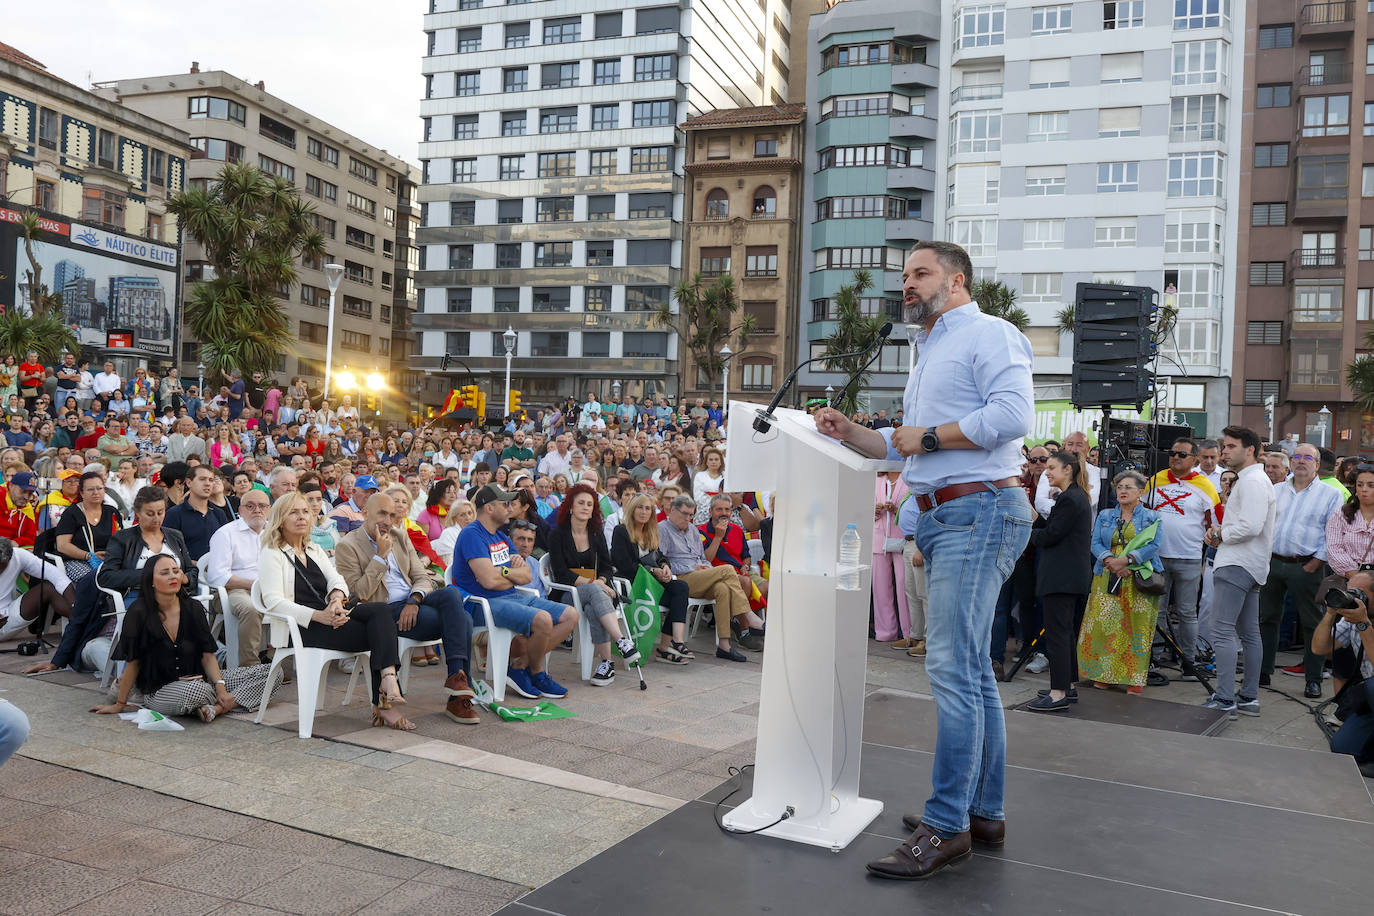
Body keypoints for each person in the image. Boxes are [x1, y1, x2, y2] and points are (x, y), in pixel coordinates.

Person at [816, 240, 1034, 881]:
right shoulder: (927, 347)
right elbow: (906, 447)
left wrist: (931, 435)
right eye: (904, 275)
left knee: (953, 667)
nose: (906, 284)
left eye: (920, 273)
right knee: (971, 670)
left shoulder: (991, 333)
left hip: (980, 509)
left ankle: (948, 826)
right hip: (948, 513)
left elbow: (1013, 415)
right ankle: (982, 812)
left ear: (957, 279)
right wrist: (852, 433)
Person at [258, 491, 413, 730]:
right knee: (379, 632)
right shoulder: (272, 553)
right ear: (280, 519)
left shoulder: (313, 549)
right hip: (301, 628)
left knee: (380, 611)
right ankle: (385, 696)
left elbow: (337, 581)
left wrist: (336, 601)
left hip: (332, 615)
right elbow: (273, 601)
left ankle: (387, 680)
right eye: (293, 512)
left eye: (305, 512)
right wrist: (319, 616)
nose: (301, 517)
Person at [335, 496, 478, 724]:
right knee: (465, 620)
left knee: (452, 594)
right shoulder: (347, 545)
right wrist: (380, 556)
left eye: (392, 515)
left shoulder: (400, 536)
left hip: (414, 603)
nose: (388, 520)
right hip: (384, 611)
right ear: (364, 513)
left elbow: (421, 577)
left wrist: (414, 600)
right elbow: (357, 594)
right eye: (382, 513)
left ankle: (457, 681)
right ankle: (458, 692)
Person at [90, 554, 275, 722]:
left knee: (273, 673)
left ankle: (217, 708)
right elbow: (133, 663)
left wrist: (221, 688)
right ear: (151, 581)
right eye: (165, 573)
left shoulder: (193, 608)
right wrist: (120, 703)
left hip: (201, 678)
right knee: (196, 691)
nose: (173, 576)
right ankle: (223, 702)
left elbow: (207, 655)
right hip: (160, 689)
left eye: (176, 571)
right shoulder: (139, 612)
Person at [450, 484, 578, 700]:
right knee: (544, 620)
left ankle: (521, 666)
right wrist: (509, 575)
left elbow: (527, 576)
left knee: (570, 615)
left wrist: (505, 571)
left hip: (510, 596)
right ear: (489, 508)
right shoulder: (472, 534)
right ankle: (537, 672)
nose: (510, 508)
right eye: (505, 503)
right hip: (482, 604)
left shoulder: (501, 537)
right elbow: (488, 581)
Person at [1202, 426, 1276, 719]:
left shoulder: (1253, 481)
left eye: (1231, 446)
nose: (1224, 451)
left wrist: (1221, 533)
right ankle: (1247, 698)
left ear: (1250, 450)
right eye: (1225, 446)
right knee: (1248, 633)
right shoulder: (1253, 479)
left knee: (1222, 631)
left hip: (1237, 563)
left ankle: (1224, 699)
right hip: (1248, 563)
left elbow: (1250, 526)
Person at [1258, 443, 1342, 697]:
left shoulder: (1330, 494)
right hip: (1272, 562)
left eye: (1308, 457)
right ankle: (1262, 671)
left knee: (1312, 622)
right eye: (1297, 457)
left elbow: (1333, 532)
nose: (1301, 461)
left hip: (1306, 566)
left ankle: (1313, 679)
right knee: (1267, 618)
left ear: (1317, 464)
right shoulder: (1276, 490)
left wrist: (1316, 562)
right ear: (1291, 462)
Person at [548, 483, 641, 686]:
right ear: (571, 507)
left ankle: (607, 664)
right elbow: (562, 573)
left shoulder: (596, 534)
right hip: (567, 594)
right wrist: (596, 584)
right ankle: (622, 641)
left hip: (595, 593)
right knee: (593, 591)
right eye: (580, 503)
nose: (585, 507)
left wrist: (599, 582)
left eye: (589, 504)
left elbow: (607, 567)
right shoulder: (558, 534)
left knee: (593, 607)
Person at [1081, 470, 1163, 694]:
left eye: (1128, 487)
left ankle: (1134, 678)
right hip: (1107, 574)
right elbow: (1095, 541)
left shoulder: (1151, 517)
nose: (1122, 491)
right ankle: (1104, 675)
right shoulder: (1106, 515)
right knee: (1105, 625)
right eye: (1119, 487)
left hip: (1137, 576)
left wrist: (1127, 562)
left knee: (1136, 627)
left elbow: (1154, 545)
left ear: (1141, 491)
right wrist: (1110, 560)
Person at [1024, 451, 1094, 712]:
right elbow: (1052, 528)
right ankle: (1068, 685)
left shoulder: (1070, 499)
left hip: (1062, 577)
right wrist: (1031, 514)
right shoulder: (1073, 497)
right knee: (1064, 633)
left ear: (1068, 470)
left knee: (1058, 634)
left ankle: (1058, 692)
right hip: (1068, 576)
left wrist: (1024, 534)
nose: (1047, 471)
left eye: (1052, 467)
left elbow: (1050, 536)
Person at [659, 494, 763, 661]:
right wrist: (693, 567)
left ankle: (724, 645)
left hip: (700, 575)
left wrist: (705, 566)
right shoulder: (662, 529)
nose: (688, 518)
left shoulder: (692, 529)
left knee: (722, 589)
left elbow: (702, 557)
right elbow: (662, 561)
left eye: (691, 514)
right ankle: (748, 614)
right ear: (672, 510)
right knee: (728, 569)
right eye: (685, 514)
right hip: (680, 579)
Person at [1145, 438, 1221, 662]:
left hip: (1188, 557)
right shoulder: (1156, 480)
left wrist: (1213, 541)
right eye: (1172, 452)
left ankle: (1189, 660)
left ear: (1194, 459)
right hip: (1156, 557)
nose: (1175, 457)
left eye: (1182, 454)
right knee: (1156, 612)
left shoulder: (1204, 485)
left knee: (1187, 613)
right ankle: (1154, 658)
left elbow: (1217, 521)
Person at [611, 493, 692, 663]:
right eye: (640, 507)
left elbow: (660, 556)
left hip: (651, 584)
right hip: (632, 585)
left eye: (648, 508)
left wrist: (664, 566)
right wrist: (651, 570)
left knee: (680, 588)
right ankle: (665, 648)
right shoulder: (621, 531)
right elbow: (624, 564)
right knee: (675, 595)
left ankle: (675, 641)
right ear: (633, 509)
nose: (643, 511)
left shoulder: (651, 533)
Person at [1311, 570, 1374, 775]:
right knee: (1344, 748)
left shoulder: (1361, 620)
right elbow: (1319, 649)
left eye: (1359, 592)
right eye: (1349, 591)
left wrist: (1364, 624)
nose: (1353, 597)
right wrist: (1330, 613)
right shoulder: (1352, 618)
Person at [205, 487, 272, 667]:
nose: (257, 510)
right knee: (250, 608)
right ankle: (249, 668)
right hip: (233, 591)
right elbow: (217, 576)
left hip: (270, 588)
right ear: (240, 511)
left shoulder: (275, 533)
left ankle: (275, 660)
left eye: (262, 506)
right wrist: (254, 585)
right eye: (250, 506)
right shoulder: (226, 534)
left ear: (269, 510)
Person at [52, 471, 122, 582]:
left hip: (108, 560)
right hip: (76, 560)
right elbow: (62, 545)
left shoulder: (111, 512)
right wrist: (88, 556)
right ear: (82, 492)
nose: (96, 493)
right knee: (93, 579)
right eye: (90, 489)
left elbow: (120, 539)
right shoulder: (71, 513)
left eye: (99, 488)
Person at [873, 470, 912, 646]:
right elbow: (863, 510)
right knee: (880, 588)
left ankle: (910, 632)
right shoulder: (876, 480)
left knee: (906, 587)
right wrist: (874, 510)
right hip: (878, 538)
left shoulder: (909, 478)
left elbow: (913, 508)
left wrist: (896, 510)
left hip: (902, 537)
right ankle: (885, 631)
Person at [163, 464, 229, 561]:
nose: (208, 483)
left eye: (211, 480)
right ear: (189, 483)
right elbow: (169, 552)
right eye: (202, 479)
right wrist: (199, 565)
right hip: (189, 573)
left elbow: (227, 547)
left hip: (218, 572)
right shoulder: (174, 514)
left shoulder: (219, 513)